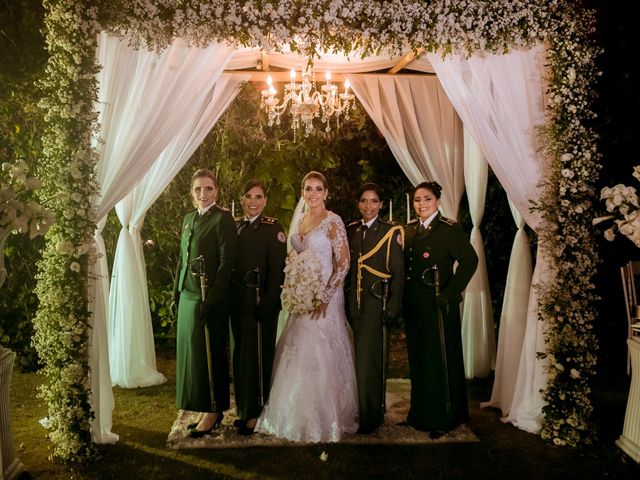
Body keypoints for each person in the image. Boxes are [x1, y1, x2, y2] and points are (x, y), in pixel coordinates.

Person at [255, 171, 358, 442]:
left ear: (326, 192)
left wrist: (324, 296)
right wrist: (296, 276)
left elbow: (344, 262)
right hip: (302, 294)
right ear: (303, 192)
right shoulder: (300, 220)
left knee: (318, 349)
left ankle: (323, 417)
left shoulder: (333, 221)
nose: (312, 194)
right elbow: (295, 254)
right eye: (308, 189)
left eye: (317, 189)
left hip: (325, 294)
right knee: (296, 347)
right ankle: (290, 411)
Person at [402, 181, 478, 438]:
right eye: (417, 200)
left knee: (442, 363)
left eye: (426, 199)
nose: (421, 204)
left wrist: (450, 292)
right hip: (416, 307)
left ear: (437, 201)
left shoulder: (449, 230)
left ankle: (446, 416)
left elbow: (470, 260)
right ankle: (419, 414)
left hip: (439, 305)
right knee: (420, 361)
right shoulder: (410, 230)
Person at [173, 168, 237, 438]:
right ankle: (202, 406)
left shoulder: (222, 219)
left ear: (216, 191)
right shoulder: (189, 219)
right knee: (195, 357)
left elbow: (227, 264)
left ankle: (214, 410)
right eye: (198, 189)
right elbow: (183, 259)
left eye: (208, 189)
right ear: (192, 192)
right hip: (188, 296)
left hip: (209, 299)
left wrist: (211, 300)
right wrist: (176, 293)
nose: (203, 194)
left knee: (211, 355)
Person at [345, 183, 404, 433]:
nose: (368, 206)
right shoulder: (352, 230)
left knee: (371, 360)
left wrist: (393, 306)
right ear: (358, 204)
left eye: (374, 201)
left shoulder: (390, 232)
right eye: (364, 201)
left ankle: (372, 415)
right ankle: (358, 408)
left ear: (381, 205)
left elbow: (399, 273)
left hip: (376, 303)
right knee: (355, 359)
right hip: (354, 305)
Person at [230, 179, 287, 436]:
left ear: (265, 201)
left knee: (259, 356)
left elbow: (278, 270)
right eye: (248, 196)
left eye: (258, 197)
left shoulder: (272, 227)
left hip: (262, 303)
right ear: (242, 200)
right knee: (241, 355)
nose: (253, 201)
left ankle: (257, 411)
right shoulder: (237, 227)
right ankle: (243, 408)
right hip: (240, 303)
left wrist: (269, 301)